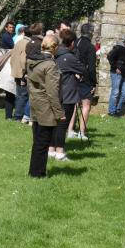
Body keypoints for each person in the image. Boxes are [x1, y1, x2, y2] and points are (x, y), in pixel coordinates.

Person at [27, 35, 65, 177]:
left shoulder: (32, 61)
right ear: (54, 47)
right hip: (46, 107)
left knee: (37, 142)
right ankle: (38, 173)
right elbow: (52, 92)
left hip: (35, 103)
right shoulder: (50, 65)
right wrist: (60, 113)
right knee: (43, 142)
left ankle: (34, 171)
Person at [50, 29, 86, 162]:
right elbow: (83, 69)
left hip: (56, 94)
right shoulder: (69, 57)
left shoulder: (55, 54)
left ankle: (51, 150)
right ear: (71, 43)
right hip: (67, 95)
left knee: (54, 124)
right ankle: (59, 152)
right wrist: (75, 73)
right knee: (62, 125)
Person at [69, 23, 97, 140]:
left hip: (72, 76)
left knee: (74, 104)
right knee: (86, 105)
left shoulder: (75, 43)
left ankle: (70, 130)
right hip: (84, 78)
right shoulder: (90, 47)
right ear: (91, 32)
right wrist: (93, 83)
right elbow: (91, 67)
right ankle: (81, 132)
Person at [107, 35, 125, 116]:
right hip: (116, 73)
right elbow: (109, 56)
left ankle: (117, 110)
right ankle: (111, 112)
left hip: (123, 74)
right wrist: (115, 67)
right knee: (115, 92)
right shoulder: (118, 48)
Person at [9, 26, 32, 122]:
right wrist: (24, 73)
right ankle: (19, 116)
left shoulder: (18, 42)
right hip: (22, 73)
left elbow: (12, 58)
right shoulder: (28, 43)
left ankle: (17, 115)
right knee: (23, 95)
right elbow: (23, 60)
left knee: (19, 95)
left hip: (16, 72)